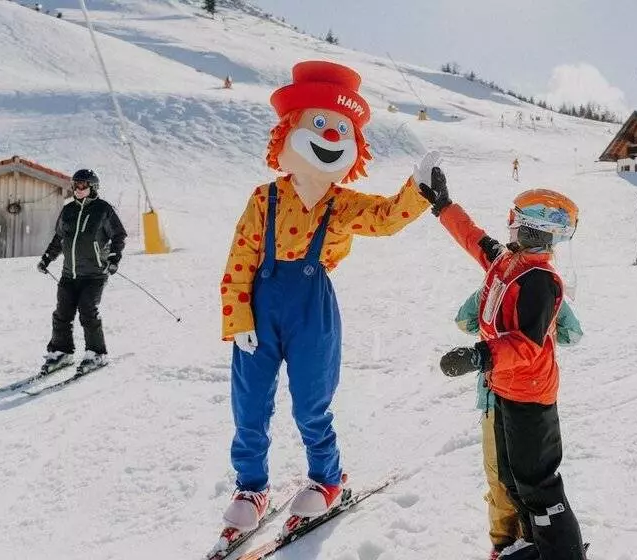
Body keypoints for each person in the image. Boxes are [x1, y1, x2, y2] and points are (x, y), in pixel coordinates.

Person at [216, 61, 433, 541]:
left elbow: (384, 217)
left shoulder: (343, 203)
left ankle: (327, 477)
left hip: (313, 310)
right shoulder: (264, 199)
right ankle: (251, 486)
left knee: (312, 401)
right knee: (249, 402)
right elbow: (239, 257)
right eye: (319, 124)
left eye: (341, 128)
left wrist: (419, 190)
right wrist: (237, 315)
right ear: (289, 132)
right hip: (258, 307)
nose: (331, 135)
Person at [418, 166, 586, 560]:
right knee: (512, 478)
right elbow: (473, 239)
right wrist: (444, 206)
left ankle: (564, 552)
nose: (512, 233)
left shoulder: (540, 281)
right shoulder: (509, 262)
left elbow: (526, 345)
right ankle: (532, 543)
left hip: (531, 394)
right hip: (507, 388)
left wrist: (479, 356)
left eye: (519, 227)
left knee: (537, 483)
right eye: (516, 226)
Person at [455, 286, 583, 560]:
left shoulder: (542, 291)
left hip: (525, 398)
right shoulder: (492, 291)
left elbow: (572, 334)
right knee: (502, 477)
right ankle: (505, 543)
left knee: (526, 478)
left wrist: (546, 313)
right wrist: (487, 293)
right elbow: (464, 321)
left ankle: (530, 541)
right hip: (497, 400)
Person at [36, 169, 127, 373]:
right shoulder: (68, 210)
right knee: (62, 313)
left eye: (83, 185)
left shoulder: (103, 210)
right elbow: (59, 238)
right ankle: (62, 352)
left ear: (92, 187)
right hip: (69, 274)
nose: (78, 189)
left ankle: (96, 354)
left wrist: (114, 258)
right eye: (75, 185)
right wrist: (47, 258)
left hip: (94, 274)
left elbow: (119, 235)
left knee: (87, 311)